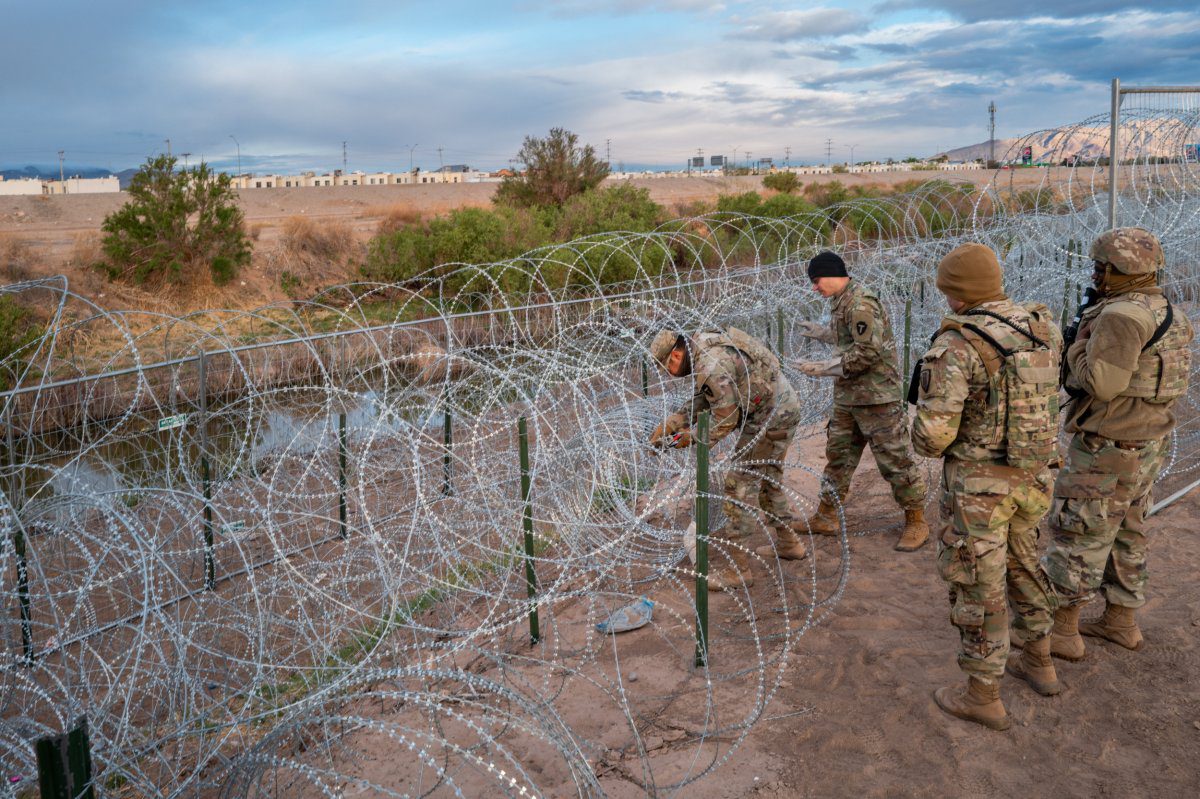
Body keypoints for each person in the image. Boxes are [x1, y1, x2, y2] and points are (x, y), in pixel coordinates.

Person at [912, 242, 1063, 730]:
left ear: (958, 293)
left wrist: (919, 416)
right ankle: (1039, 660)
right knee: (1025, 563)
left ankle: (982, 694)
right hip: (1034, 475)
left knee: (980, 587)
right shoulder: (1041, 327)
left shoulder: (957, 345)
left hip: (981, 491)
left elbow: (932, 439)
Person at [1042, 227, 1193, 659]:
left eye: (1101, 266)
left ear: (1121, 270)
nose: (1095, 272)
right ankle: (1120, 621)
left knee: (1079, 532)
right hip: (1149, 441)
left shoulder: (1121, 315)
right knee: (1129, 531)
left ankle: (1063, 633)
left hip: (1109, 445)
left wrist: (1075, 347)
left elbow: (1102, 384)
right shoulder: (1167, 310)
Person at [648, 326, 804, 591]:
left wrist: (691, 438)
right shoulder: (703, 344)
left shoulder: (710, 363)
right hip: (777, 407)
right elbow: (711, 397)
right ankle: (790, 544)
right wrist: (677, 419)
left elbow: (725, 419)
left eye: (666, 369)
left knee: (738, 487)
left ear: (675, 355)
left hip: (770, 416)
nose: (668, 375)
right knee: (767, 479)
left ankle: (739, 571)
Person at [794, 250, 929, 551]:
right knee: (839, 457)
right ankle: (826, 516)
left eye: (817, 281)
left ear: (832, 274)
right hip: (849, 397)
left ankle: (916, 519)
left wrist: (824, 368)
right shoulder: (841, 302)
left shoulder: (860, 302)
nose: (815, 288)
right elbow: (850, 338)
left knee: (895, 460)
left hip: (876, 397)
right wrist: (822, 334)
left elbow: (868, 352)